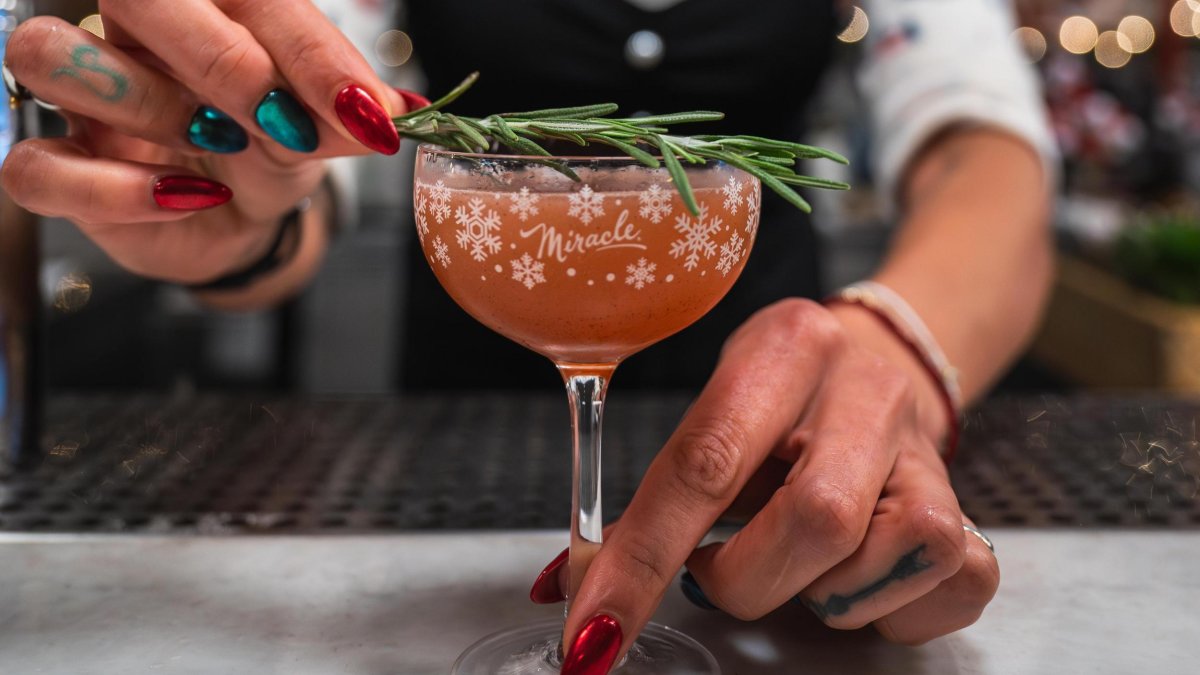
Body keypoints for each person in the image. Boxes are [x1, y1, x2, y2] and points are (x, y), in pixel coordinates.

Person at [1, 0, 1054, 672]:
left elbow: (981, 143)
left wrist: (896, 342)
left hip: (784, 448)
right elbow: (312, 141)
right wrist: (238, 200)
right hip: (448, 456)